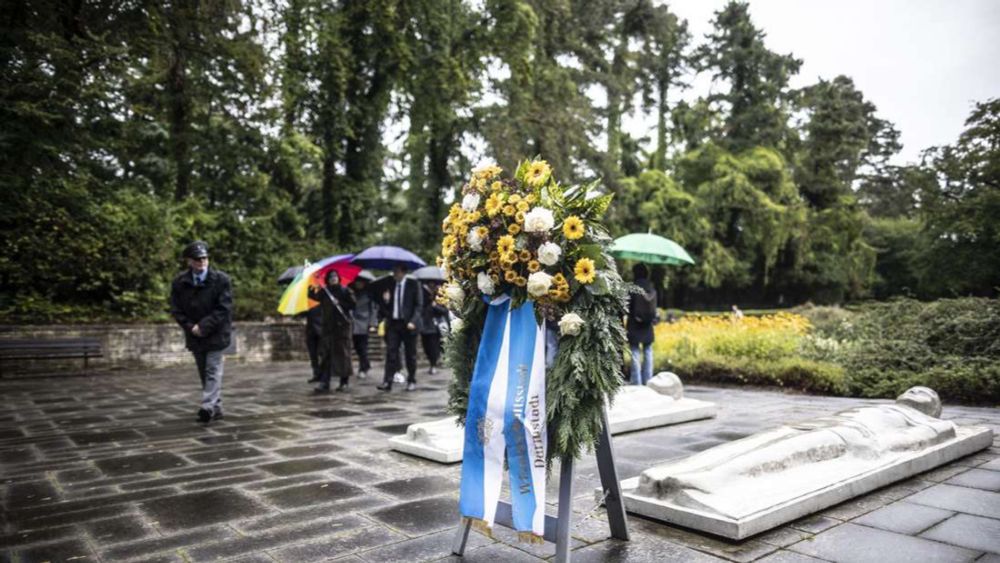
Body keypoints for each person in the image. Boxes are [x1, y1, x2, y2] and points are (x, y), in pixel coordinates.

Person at [169, 240, 233, 423]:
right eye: (197, 259)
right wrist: (191, 327)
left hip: (216, 334)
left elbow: (223, 308)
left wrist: (203, 326)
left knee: (212, 370)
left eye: (204, 258)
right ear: (189, 261)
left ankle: (206, 406)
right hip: (195, 336)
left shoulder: (221, 280)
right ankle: (216, 408)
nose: (202, 261)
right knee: (203, 371)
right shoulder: (180, 282)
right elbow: (176, 309)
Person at [377, 265, 422, 391]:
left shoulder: (413, 284)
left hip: (408, 325)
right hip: (393, 324)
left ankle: (411, 380)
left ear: (403, 272)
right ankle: (387, 381)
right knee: (391, 353)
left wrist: (413, 321)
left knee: (410, 354)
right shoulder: (390, 285)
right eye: (393, 271)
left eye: (396, 272)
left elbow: (419, 306)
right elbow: (384, 308)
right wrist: (385, 300)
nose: (394, 274)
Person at [310, 270, 355, 393]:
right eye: (330, 277)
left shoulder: (345, 290)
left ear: (339, 278)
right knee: (326, 355)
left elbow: (353, 304)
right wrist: (313, 284)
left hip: (342, 328)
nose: (333, 278)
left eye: (335, 276)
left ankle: (344, 382)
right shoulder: (325, 291)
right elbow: (314, 296)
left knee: (343, 355)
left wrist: (340, 302)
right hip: (328, 328)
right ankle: (325, 382)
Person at [627, 263, 657, 386]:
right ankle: (648, 380)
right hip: (648, 324)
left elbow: (627, 306)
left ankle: (636, 381)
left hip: (634, 323)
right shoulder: (652, 288)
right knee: (648, 350)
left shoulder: (632, 288)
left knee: (634, 351)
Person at [350, 274, 379, 379]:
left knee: (363, 347)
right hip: (353, 322)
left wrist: (372, 324)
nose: (358, 284)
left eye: (360, 282)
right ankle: (366, 364)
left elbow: (373, 310)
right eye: (357, 282)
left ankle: (363, 368)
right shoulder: (351, 293)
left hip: (364, 323)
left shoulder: (369, 295)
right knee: (357, 346)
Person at [418, 281, 449, 375]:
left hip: (435, 327)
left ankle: (433, 364)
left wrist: (435, 306)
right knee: (426, 347)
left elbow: (445, 311)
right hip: (424, 326)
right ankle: (432, 362)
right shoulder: (423, 296)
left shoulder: (440, 297)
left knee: (433, 347)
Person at [304, 297, 324, 383]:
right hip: (311, 331)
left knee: (323, 354)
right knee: (313, 355)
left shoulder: (324, 299)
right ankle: (316, 373)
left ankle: (323, 374)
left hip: (321, 330)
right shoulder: (307, 301)